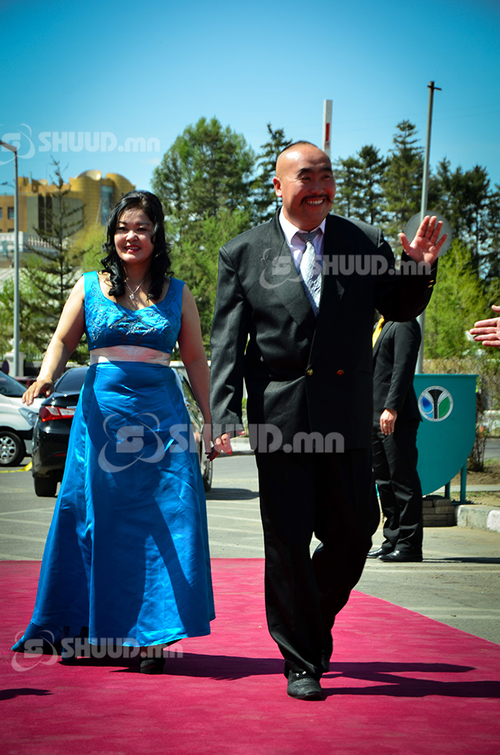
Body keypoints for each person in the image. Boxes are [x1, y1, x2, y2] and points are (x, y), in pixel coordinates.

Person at [209, 141, 445, 700]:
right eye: (306, 177)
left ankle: (309, 617)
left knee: (356, 531)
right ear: (278, 185)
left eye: (327, 176)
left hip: (345, 416)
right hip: (280, 419)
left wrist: (418, 268)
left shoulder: (363, 241)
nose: (319, 187)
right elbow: (227, 342)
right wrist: (222, 413)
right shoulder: (242, 252)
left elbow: (400, 307)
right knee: (287, 541)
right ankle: (300, 661)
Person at [12, 190, 215, 674]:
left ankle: (153, 639)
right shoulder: (88, 286)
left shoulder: (179, 293)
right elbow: (62, 340)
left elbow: (195, 359)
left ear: (157, 235)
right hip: (101, 421)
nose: (131, 236)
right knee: (89, 519)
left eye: (142, 228)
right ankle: (83, 628)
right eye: (123, 228)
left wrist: (211, 419)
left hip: (162, 422)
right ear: (112, 235)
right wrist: (46, 376)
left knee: (166, 521)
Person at [368, 318, 424, 562]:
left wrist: (392, 407)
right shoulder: (380, 325)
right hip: (374, 416)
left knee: (402, 480)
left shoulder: (404, 323)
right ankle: (392, 539)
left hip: (395, 416)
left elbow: (403, 368)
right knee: (384, 481)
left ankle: (409, 545)